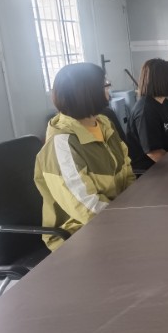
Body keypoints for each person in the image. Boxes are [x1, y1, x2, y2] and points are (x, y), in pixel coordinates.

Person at [34, 63, 135, 251]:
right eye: (105, 84)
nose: (109, 87)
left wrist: (137, 203)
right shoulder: (62, 144)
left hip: (118, 217)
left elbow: (126, 168)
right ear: (88, 93)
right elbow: (86, 207)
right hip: (79, 233)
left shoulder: (103, 123)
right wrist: (129, 217)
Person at [125, 59, 168, 171]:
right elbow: (154, 153)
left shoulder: (165, 103)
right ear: (162, 81)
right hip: (151, 170)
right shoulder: (146, 111)